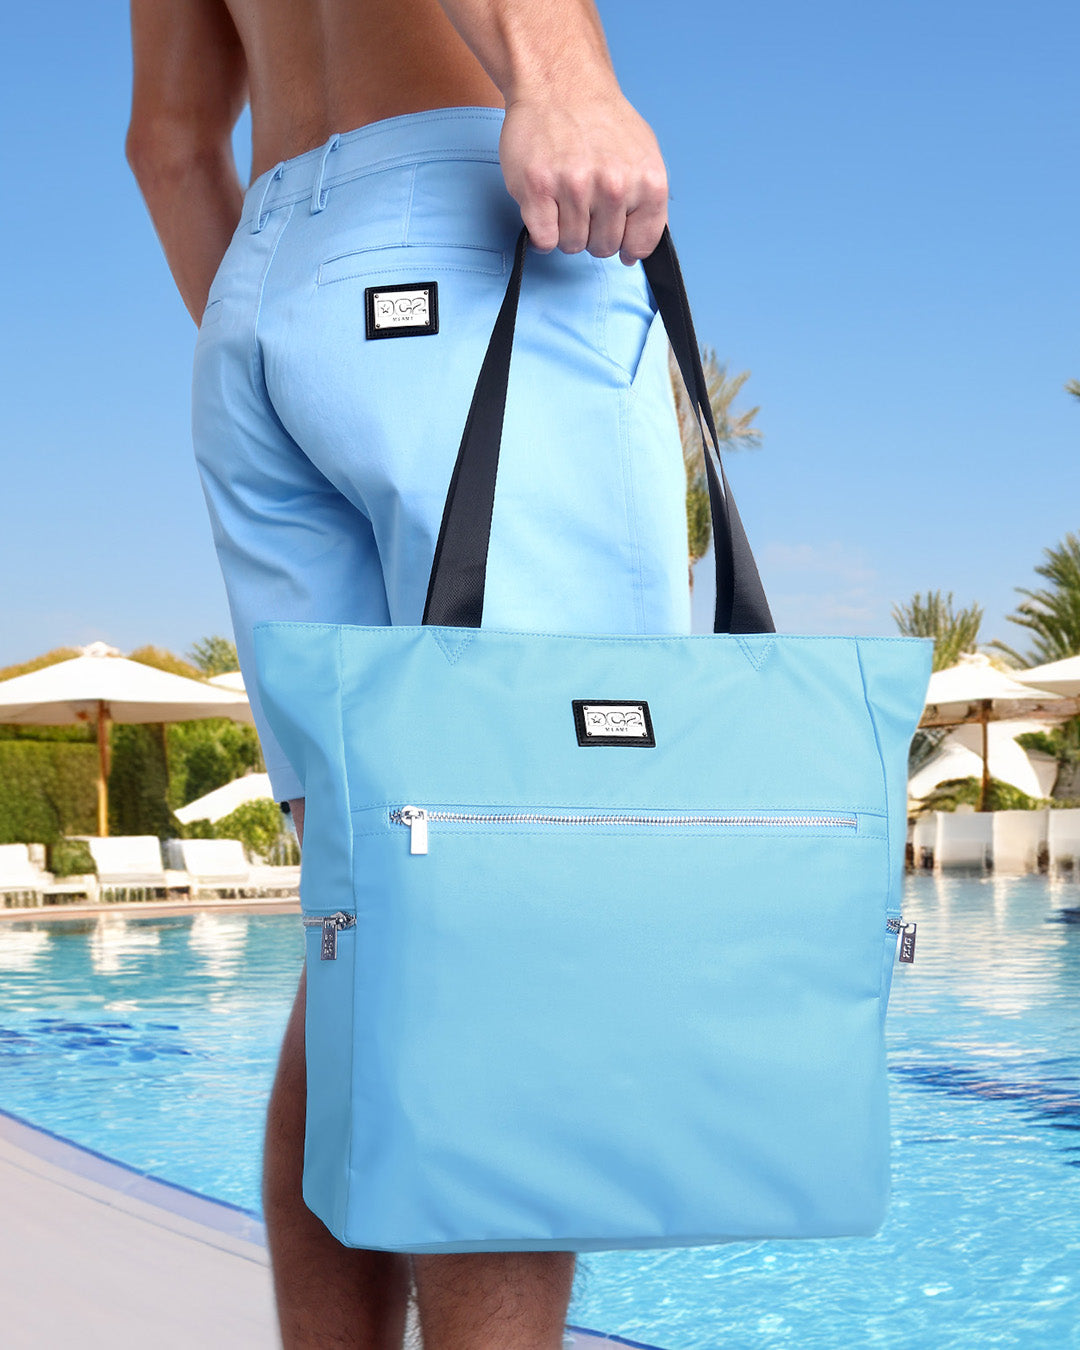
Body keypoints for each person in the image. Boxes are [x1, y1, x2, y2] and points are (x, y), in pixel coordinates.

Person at [126, 3, 690, 1346]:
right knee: (512, 928)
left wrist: (304, 331)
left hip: (260, 295)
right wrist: (563, 72)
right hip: (468, 225)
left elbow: (169, 144)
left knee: (366, 935)